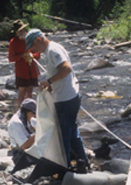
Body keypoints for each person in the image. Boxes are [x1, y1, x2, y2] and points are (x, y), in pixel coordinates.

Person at [25, 29, 89, 173]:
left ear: (39, 40)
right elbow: (62, 72)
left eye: (33, 46)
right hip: (69, 95)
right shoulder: (50, 50)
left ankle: (64, 167)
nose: (33, 49)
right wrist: (51, 86)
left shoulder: (53, 50)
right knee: (72, 131)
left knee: (64, 135)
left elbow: (66, 69)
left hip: (65, 99)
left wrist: (48, 82)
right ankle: (84, 161)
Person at [8, 20, 41, 107]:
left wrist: (33, 56)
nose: (21, 32)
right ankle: (20, 112)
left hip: (32, 69)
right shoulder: (13, 42)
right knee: (22, 91)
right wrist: (21, 56)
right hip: (21, 71)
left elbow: (38, 53)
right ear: (16, 32)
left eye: (22, 29)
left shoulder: (31, 38)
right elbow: (11, 58)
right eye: (19, 30)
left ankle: (29, 111)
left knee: (30, 91)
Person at [8, 98, 37, 164]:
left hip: (29, 148)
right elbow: (24, 145)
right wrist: (38, 134)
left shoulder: (26, 118)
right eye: (33, 113)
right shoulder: (16, 123)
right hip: (19, 153)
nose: (33, 116)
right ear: (27, 112)